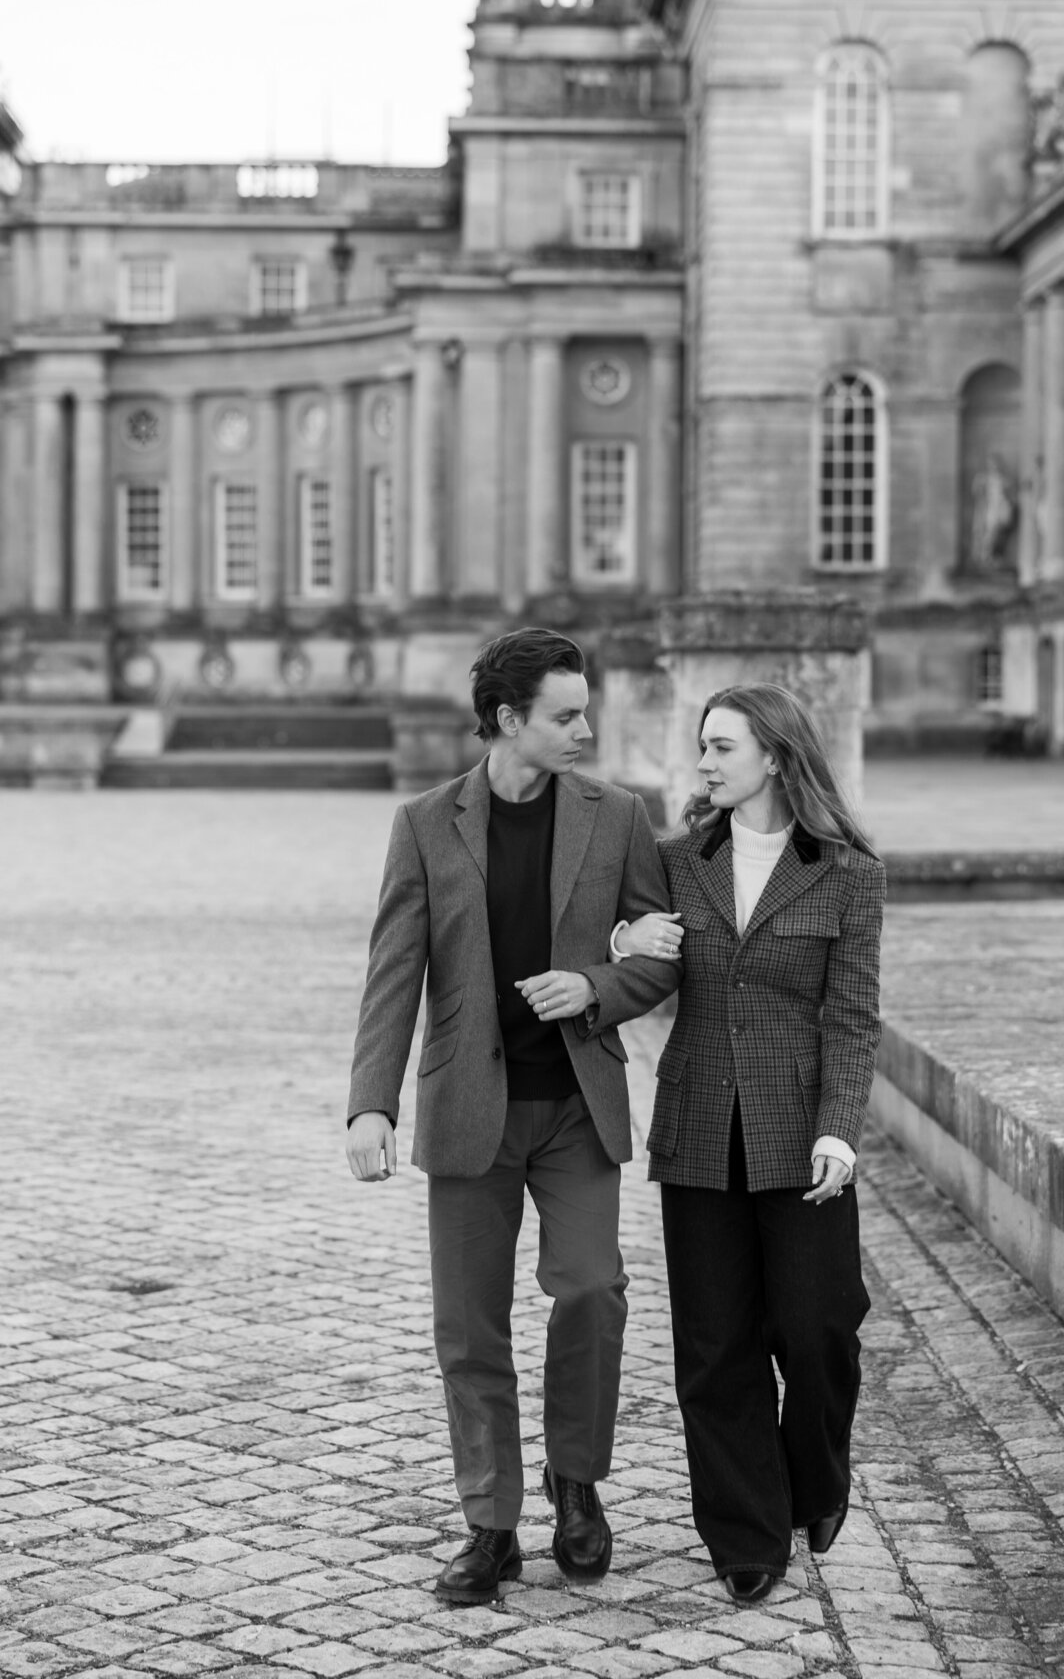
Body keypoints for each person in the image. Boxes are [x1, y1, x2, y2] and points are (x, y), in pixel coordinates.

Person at [346, 627, 680, 1607]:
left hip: (577, 1107)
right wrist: (370, 1102)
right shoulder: (423, 823)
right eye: (566, 715)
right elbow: (392, 973)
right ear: (508, 721)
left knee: (591, 1292)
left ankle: (576, 1485)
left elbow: (661, 955)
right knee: (469, 1331)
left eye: (587, 712)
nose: (585, 729)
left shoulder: (617, 818)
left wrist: (597, 987)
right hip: (469, 1112)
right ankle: (489, 1527)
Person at [614, 682, 884, 1605]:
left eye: (721, 747)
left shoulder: (849, 872)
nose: (703, 763)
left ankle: (814, 1479)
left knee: (819, 1331)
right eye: (702, 747)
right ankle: (747, 1537)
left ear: (774, 754)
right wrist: (624, 932)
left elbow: (853, 1020)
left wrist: (840, 1132)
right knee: (714, 1346)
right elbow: (634, 961)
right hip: (695, 1127)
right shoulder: (676, 859)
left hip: (804, 1138)